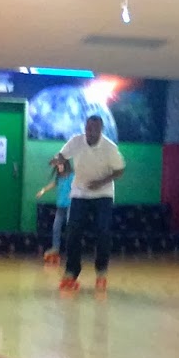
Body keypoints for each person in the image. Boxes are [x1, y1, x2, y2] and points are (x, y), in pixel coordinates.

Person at [58, 114, 126, 293]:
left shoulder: (110, 148)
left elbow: (119, 170)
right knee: (73, 231)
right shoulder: (76, 142)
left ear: (101, 129)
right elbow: (62, 156)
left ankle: (101, 272)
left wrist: (101, 182)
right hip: (80, 192)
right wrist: (60, 164)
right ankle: (71, 272)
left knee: (103, 231)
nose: (90, 131)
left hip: (103, 194)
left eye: (94, 128)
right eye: (88, 128)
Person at [36, 154, 73, 266]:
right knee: (56, 227)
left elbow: (76, 186)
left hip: (70, 206)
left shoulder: (72, 176)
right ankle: (55, 248)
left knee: (70, 227)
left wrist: (72, 194)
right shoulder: (59, 177)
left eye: (60, 165)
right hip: (60, 206)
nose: (59, 167)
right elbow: (53, 184)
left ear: (65, 165)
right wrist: (43, 191)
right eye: (58, 165)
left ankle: (71, 249)